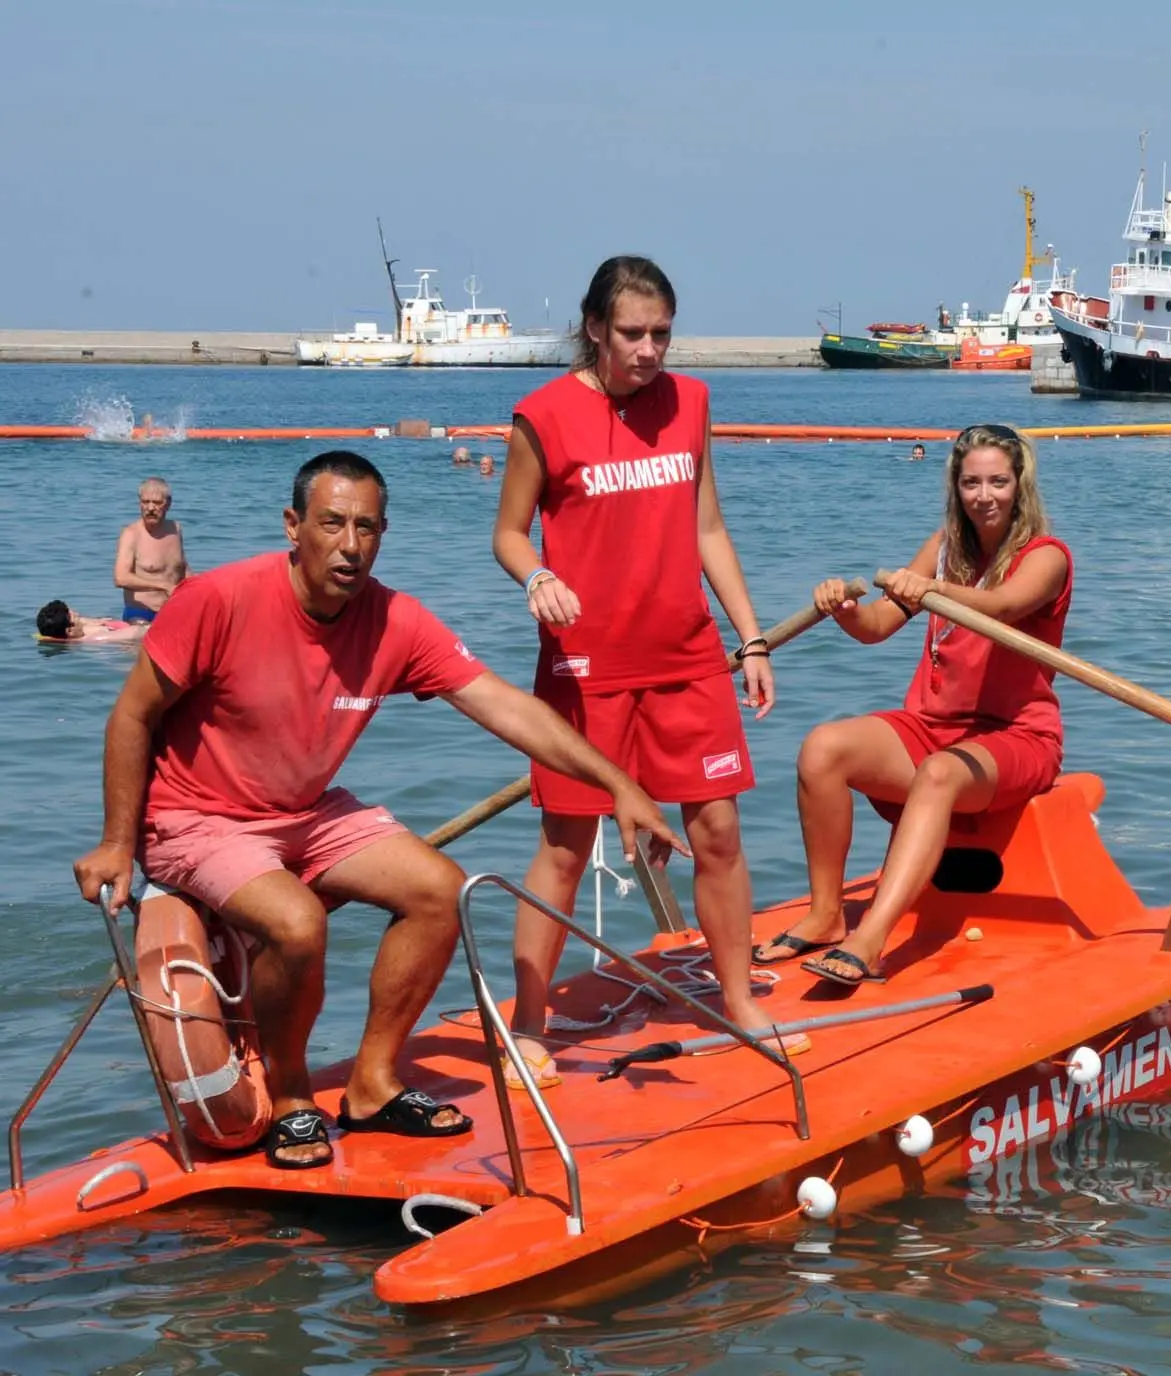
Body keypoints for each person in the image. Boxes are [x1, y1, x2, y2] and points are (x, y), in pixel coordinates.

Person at [72, 451, 682, 1170]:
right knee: (297, 922)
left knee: (438, 892)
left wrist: (620, 787)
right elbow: (132, 716)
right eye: (331, 524)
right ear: (293, 526)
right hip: (196, 817)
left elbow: (504, 706)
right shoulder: (219, 597)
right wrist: (117, 842)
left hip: (306, 810)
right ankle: (295, 1096)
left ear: (384, 533)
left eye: (366, 527)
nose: (350, 545)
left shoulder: (394, 619)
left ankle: (372, 1084)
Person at [493, 254, 784, 1084]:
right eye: (632, 333)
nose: (650, 349)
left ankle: (741, 1003)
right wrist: (538, 576)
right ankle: (529, 1025)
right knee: (566, 845)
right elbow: (509, 533)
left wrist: (751, 639)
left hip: (687, 658)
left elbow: (708, 529)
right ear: (594, 330)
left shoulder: (690, 402)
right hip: (586, 671)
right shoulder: (541, 416)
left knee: (719, 832)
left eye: (661, 332)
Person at [757, 423, 1073, 988]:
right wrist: (844, 607)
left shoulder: (1047, 556)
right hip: (932, 725)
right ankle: (826, 915)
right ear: (955, 486)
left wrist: (930, 589)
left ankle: (870, 941)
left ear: (1020, 484)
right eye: (971, 482)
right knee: (823, 748)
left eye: (998, 482)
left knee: (938, 774)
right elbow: (878, 625)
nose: (984, 496)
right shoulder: (944, 547)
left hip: (1018, 737)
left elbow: (1001, 606)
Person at [115, 477, 188, 622]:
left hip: (172, 610)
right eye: (145, 502)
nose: (150, 508)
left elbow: (182, 569)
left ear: (168, 504)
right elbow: (120, 578)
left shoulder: (175, 529)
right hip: (140, 614)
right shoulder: (131, 534)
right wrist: (163, 586)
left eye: (157, 503)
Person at [37, 600, 146, 644]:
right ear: (70, 631)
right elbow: (137, 632)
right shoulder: (96, 638)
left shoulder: (72, 631)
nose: (77, 614)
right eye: (74, 616)